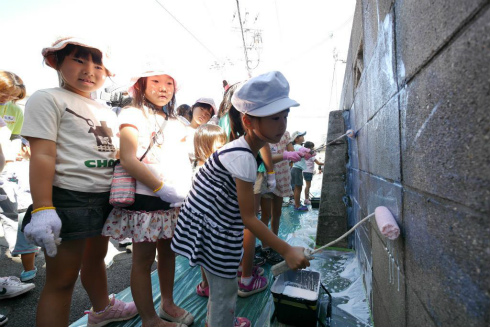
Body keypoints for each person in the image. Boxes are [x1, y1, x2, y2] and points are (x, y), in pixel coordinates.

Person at [171, 71, 310, 327]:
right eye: (274, 118)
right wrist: (286, 249)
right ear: (248, 120)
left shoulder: (243, 149)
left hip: (211, 224)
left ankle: (220, 319)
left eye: (285, 116)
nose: (282, 124)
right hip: (214, 232)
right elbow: (248, 217)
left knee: (220, 286)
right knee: (224, 292)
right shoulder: (243, 157)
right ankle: (221, 322)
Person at [20, 37, 137, 327]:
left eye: (98, 64)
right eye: (78, 60)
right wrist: (43, 208)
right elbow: (43, 156)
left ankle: (102, 310)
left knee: (96, 259)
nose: (90, 70)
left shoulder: (106, 110)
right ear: (55, 61)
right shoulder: (47, 98)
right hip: (69, 199)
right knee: (61, 280)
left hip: (103, 197)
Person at [102, 64, 194, 327]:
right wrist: (160, 188)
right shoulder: (131, 113)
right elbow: (128, 159)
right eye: (155, 81)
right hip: (147, 198)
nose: (163, 88)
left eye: (169, 82)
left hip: (174, 199)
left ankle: (168, 304)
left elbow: (181, 160)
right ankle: (149, 319)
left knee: (169, 253)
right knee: (142, 261)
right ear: (140, 84)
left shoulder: (176, 121)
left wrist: (180, 190)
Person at [0, 71, 39, 282]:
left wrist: (20, 150)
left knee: (24, 212)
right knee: (9, 216)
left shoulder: (14, 110)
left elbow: (19, 138)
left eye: (13, 96)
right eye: (4, 94)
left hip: (13, 169)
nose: (7, 99)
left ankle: (28, 262)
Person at [0, 143, 36, 327]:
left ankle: (28, 270)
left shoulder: (16, 166)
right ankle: (30, 271)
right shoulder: (28, 165)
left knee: (26, 243)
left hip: (25, 208)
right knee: (32, 242)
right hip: (31, 206)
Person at [290, 131, 310, 210]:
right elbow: (304, 149)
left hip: (295, 169)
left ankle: (296, 203)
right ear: (296, 139)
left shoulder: (295, 146)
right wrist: (309, 151)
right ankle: (297, 205)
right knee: (298, 188)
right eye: (301, 136)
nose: (303, 137)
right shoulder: (298, 146)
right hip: (297, 169)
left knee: (296, 188)